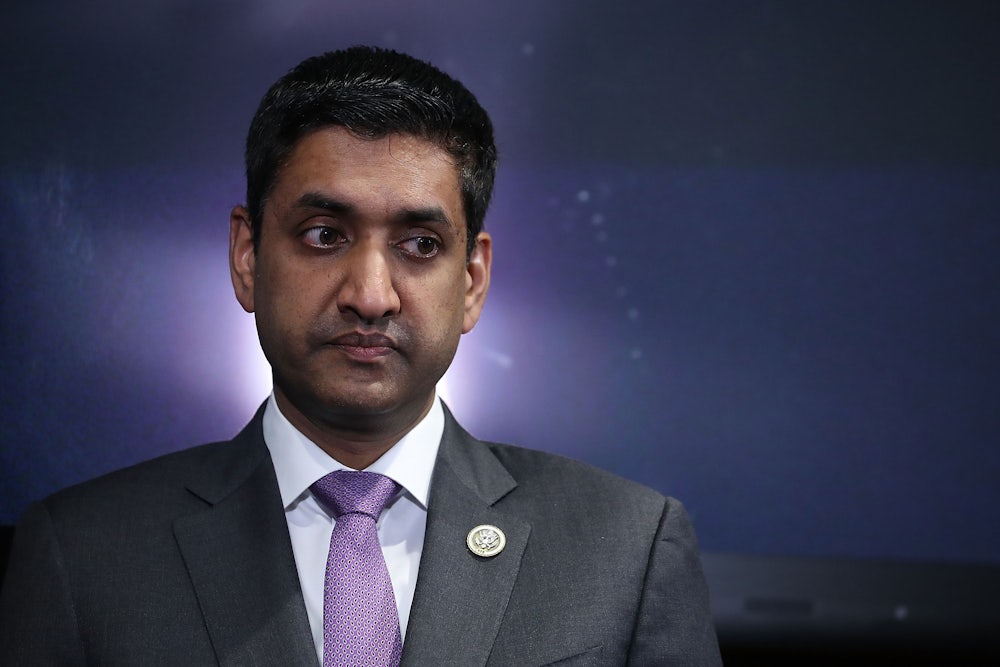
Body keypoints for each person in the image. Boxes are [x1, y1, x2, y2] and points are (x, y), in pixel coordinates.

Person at [0, 46, 721, 665]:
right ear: (247, 257)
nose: (371, 294)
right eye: (323, 235)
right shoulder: (82, 556)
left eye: (419, 245)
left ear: (472, 280)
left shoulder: (629, 548)